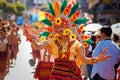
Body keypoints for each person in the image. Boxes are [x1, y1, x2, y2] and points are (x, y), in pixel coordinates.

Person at [24, 0, 111, 80]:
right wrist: (30, 38)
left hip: (70, 76)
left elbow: (85, 59)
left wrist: (98, 59)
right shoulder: (53, 42)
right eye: (58, 26)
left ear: (68, 27)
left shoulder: (76, 44)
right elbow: (37, 47)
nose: (60, 29)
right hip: (55, 76)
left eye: (62, 26)